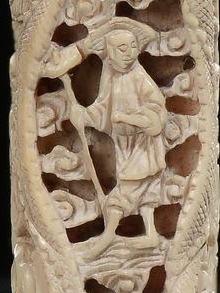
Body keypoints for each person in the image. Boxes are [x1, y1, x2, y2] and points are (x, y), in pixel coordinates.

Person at [70, 22, 167, 256]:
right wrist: (84, 116)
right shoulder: (111, 76)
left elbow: (157, 111)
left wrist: (132, 119)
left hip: (143, 146)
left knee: (124, 194)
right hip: (124, 146)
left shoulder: (140, 77)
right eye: (122, 48)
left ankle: (108, 236)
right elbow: (103, 109)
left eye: (133, 47)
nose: (129, 53)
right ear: (110, 53)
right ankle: (151, 234)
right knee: (145, 193)